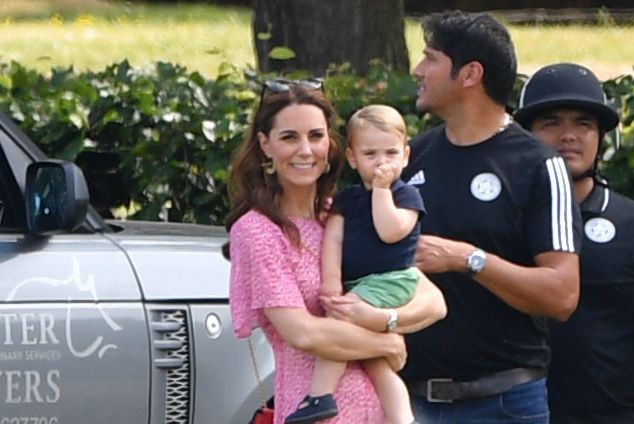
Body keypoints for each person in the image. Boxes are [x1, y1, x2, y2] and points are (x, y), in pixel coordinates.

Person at [396, 11, 581, 423]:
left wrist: (468, 259)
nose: (417, 70)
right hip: (410, 401)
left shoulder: (537, 165)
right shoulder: (413, 156)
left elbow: (563, 294)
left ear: (470, 74)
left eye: (430, 58)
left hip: (504, 404)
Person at [227, 80, 447, 424]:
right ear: (264, 145)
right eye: (289, 137)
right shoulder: (259, 231)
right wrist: (386, 344)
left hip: (379, 411)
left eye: (315, 136)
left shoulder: (346, 212)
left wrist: (384, 321)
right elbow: (303, 332)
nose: (305, 150)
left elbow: (433, 300)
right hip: (316, 412)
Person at [515, 62, 634, 423]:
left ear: (603, 138)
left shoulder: (632, 224)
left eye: (583, 123)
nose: (568, 135)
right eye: (551, 122)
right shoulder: (501, 224)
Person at [286, 105, 425, 424]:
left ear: (405, 155)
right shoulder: (347, 200)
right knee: (376, 362)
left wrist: (381, 191)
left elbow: (391, 231)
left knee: (338, 328)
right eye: (370, 154)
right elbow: (333, 239)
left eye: (390, 152)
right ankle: (402, 418)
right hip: (358, 284)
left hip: (392, 281)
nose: (381, 162)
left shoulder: (407, 196)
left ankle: (319, 396)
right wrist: (331, 281)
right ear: (352, 158)